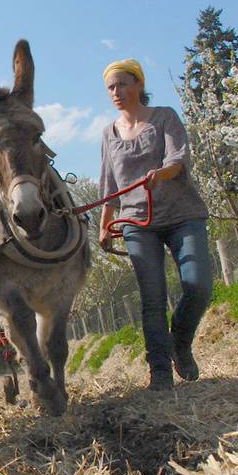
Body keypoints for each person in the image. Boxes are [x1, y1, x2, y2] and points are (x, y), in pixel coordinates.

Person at [98, 58, 213, 392]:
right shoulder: (109, 133)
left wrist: (162, 172)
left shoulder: (164, 117)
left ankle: (180, 339)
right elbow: (109, 185)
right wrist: (105, 225)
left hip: (181, 213)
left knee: (198, 285)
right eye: (110, 87)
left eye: (122, 84)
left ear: (138, 86)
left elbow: (179, 157)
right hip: (137, 221)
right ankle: (160, 371)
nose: (115, 92)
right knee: (152, 297)